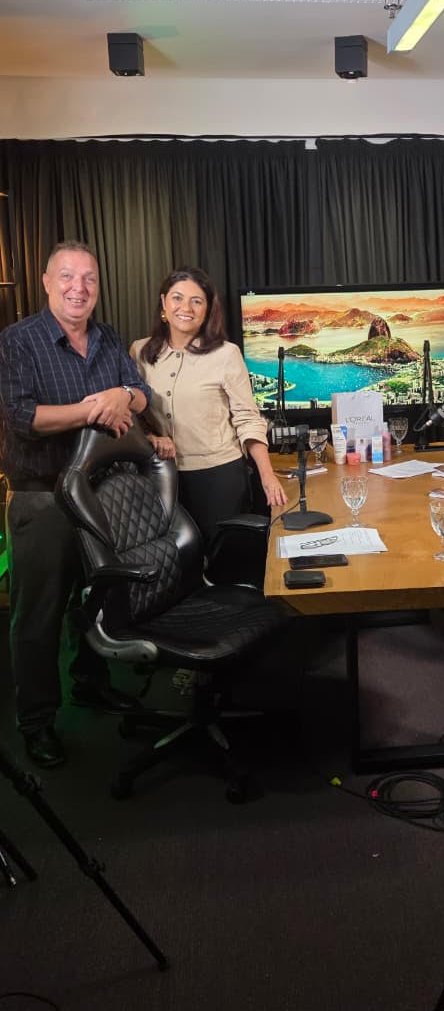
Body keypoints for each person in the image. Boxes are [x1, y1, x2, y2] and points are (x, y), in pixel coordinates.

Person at [0, 240, 151, 768]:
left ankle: (90, 681)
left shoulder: (107, 337)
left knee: (94, 599)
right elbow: (23, 417)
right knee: (38, 616)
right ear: (47, 283)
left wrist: (122, 397)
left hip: (101, 493)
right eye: (67, 276)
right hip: (43, 497)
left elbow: (140, 393)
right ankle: (37, 721)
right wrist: (93, 409)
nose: (78, 288)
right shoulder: (18, 341)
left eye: (88, 278)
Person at [131, 268, 287, 548]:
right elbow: (133, 414)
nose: (186, 307)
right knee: (171, 562)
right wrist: (151, 438)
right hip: (159, 476)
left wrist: (267, 475)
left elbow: (248, 419)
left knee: (223, 561)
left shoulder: (226, 354)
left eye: (197, 301)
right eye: (177, 298)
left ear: (207, 310)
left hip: (219, 477)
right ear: (164, 303)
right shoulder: (139, 352)